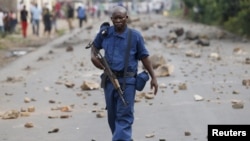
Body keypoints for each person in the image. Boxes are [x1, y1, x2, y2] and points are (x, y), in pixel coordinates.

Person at [90, 5, 158, 141]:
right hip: (109, 81)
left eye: (121, 18)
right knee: (112, 117)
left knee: (124, 116)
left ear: (126, 18)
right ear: (111, 19)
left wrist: (153, 77)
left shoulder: (135, 36)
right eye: (115, 18)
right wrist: (94, 58)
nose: (118, 21)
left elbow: (144, 57)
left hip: (128, 83)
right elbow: (94, 48)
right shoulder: (105, 34)